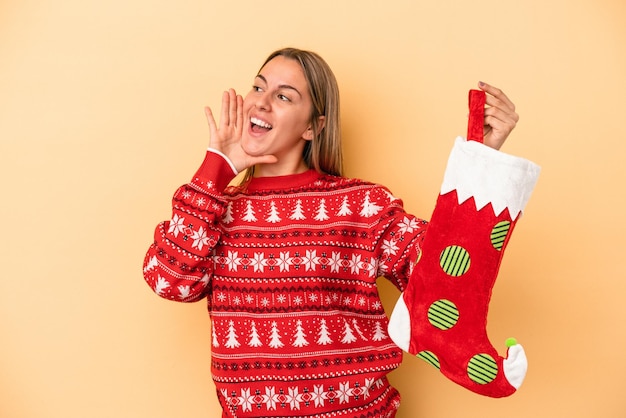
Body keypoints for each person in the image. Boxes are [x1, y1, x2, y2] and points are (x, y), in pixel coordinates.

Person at [142, 47, 524, 417]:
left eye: (283, 96)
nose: (260, 102)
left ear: (313, 126)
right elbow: (169, 281)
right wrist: (217, 168)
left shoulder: (362, 205)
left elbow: (442, 271)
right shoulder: (216, 210)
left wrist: (482, 159)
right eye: (258, 87)